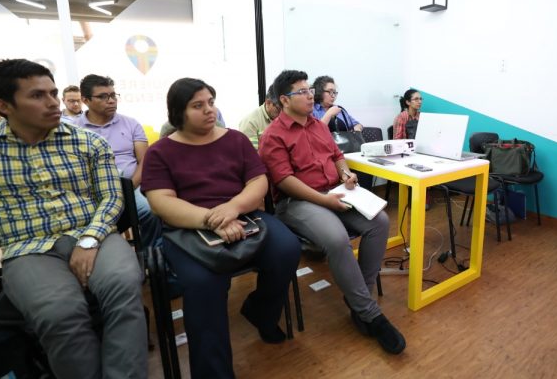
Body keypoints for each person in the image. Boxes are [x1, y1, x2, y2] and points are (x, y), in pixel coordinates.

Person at [0, 59, 147, 378]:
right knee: (60, 314)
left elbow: (112, 197)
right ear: (3, 105)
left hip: (94, 233)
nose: (52, 103)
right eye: (37, 95)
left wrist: (89, 240)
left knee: (123, 287)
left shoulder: (88, 142)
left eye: (53, 92)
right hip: (28, 247)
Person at [142, 77, 300, 379]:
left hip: (243, 215)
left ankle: (260, 312)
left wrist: (233, 208)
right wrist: (213, 220)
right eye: (197, 105)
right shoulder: (160, 152)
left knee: (287, 249)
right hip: (188, 228)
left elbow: (258, 181)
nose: (209, 110)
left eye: (211, 102)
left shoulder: (235, 140)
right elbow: (161, 202)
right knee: (203, 282)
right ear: (178, 112)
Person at [259, 69, 406, 355]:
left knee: (380, 222)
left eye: (310, 90)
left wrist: (346, 174)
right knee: (337, 238)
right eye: (302, 92)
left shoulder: (317, 125)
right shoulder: (273, 135)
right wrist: (325, 201)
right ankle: (370, 313)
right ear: (284, 100)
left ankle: (359, 300)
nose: (309, 95)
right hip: (296, 202)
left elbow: (337, 156)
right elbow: (284, 181)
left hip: (334, 191)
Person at [74, 74, 162, 249]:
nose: (111, 101)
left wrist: (128, 188)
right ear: (85, 100)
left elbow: (144, 161)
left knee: (151, 211)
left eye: (113, 95)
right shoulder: (75, 130)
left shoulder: (131, 124)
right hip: (92, 192)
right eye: (103, 96)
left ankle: (149, 254)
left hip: (131, 187)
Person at [159, 103, 225, 138]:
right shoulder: (168, 128)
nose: (209, 110)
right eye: (198, 106)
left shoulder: (218, 125)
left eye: (211, 103)